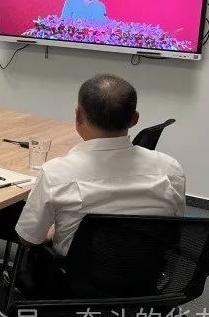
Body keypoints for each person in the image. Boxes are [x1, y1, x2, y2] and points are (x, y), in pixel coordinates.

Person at [15, 74, 186, 257]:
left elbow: (29, 239)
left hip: (75, 272)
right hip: (147, 269)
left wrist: (54, 230)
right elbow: (173, 229)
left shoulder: (55, 174)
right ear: (134, 119)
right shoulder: (170, 169)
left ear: (78, 116)